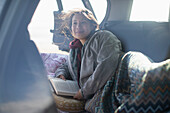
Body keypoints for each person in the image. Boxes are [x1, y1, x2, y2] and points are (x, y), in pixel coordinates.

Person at [55, 8, 123, 112]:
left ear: (93, 25)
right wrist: (61, 74)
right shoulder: (75, 47)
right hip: (83, 92)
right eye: (75, 23)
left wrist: (84, 92)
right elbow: (67, 65)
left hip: (101, 93)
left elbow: (105, 67)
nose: (78, 27)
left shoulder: (105, 38)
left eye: (83, 22)